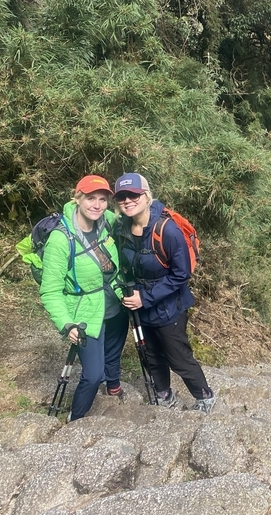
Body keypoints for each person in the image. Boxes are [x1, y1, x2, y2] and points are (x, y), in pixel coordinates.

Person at [113, 172, 216, 413]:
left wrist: (145, 298)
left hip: (169, 308)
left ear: (147, 196)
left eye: (134, 195)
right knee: (150, 354)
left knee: (178, 357)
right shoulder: (122, 228)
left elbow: (181, 274)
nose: (128, 200)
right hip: (139, 306)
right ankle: (163, 396)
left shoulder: (167, 231)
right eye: (122, 197)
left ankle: (205, 397)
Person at [39, 175, 128, 421]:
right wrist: (65, 323)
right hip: (85, 313)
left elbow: (133, 214)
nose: (97, 205)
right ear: (77, 198)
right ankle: (76, 418)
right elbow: (51, 290)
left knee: (113, 353)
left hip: (115, 304)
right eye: (91, 198)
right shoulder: (61, 239)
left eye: (102, 199)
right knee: (92, 374)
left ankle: (114, 387)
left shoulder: (107, 222)